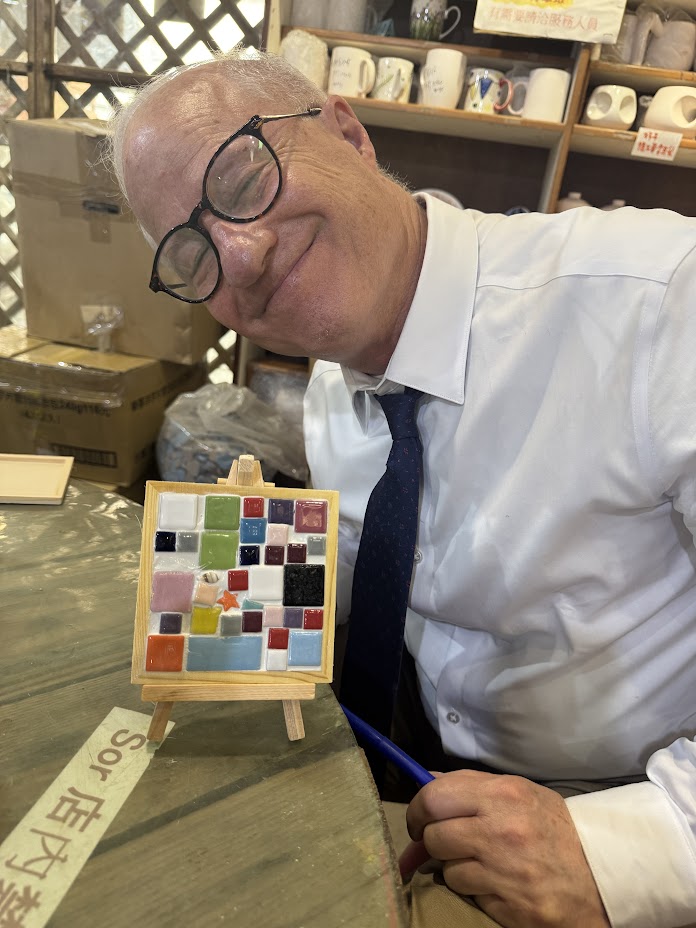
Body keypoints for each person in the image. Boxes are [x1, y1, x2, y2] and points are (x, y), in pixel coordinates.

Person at [109, 49, 696, 928]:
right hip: (421, 772)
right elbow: (367, 560)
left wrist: (628, 850)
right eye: (189, 253)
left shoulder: (659, 300)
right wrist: (214, 599)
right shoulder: (330, 385)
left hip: (622, 803)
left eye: (243, 176)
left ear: (349, 132)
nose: (243, 251)